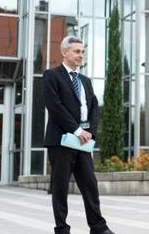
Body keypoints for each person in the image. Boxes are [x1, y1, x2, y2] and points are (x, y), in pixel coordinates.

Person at [43, 36, 114, 234]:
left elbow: (93, 107)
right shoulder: (51, 76)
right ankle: (62, 229)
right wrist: (77, 130)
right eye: (76, 51)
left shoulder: (85, 81)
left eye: (82, 51)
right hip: (62, 141)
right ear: (64, 52)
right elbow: (55, 107)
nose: (80, 55)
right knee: (60, 187)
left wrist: (90, 132)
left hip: (83, 141)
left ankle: (98, 227)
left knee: (90, 184)